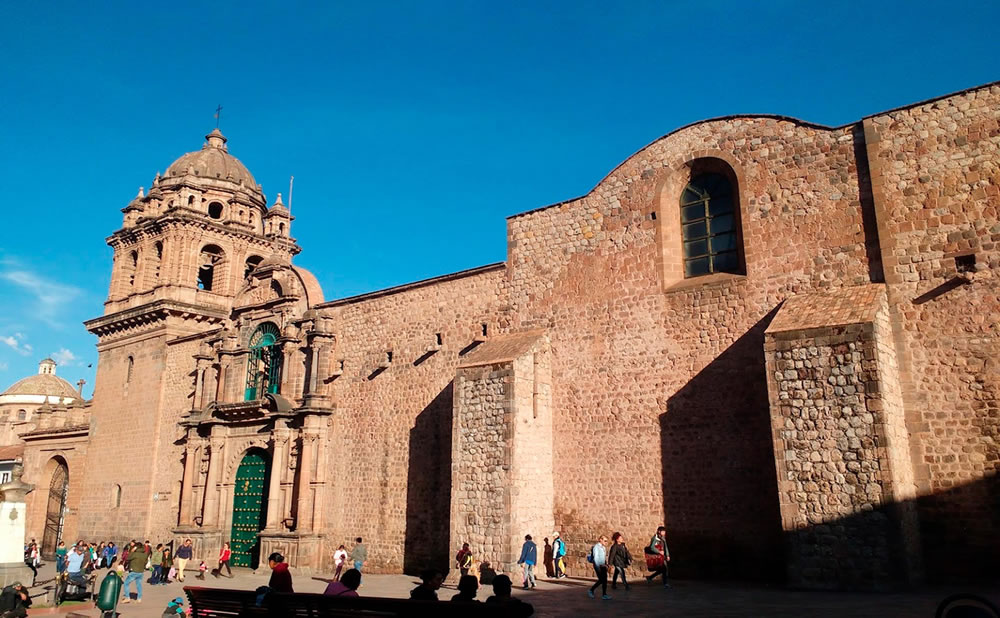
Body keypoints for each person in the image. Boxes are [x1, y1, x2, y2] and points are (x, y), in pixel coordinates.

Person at [587, 535, 610, 600]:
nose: (606, 542)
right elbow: (596, 558)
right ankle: (591, 590)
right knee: (601, 580)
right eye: (605, 541)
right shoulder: (596, 547)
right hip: (598, 566)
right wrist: (598, 567)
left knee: (604, 580)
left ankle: (604, 594)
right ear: (600, 540)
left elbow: (603, 557)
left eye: (606, 541)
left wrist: (606, 564)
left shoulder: (603, 548)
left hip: (603, 566)